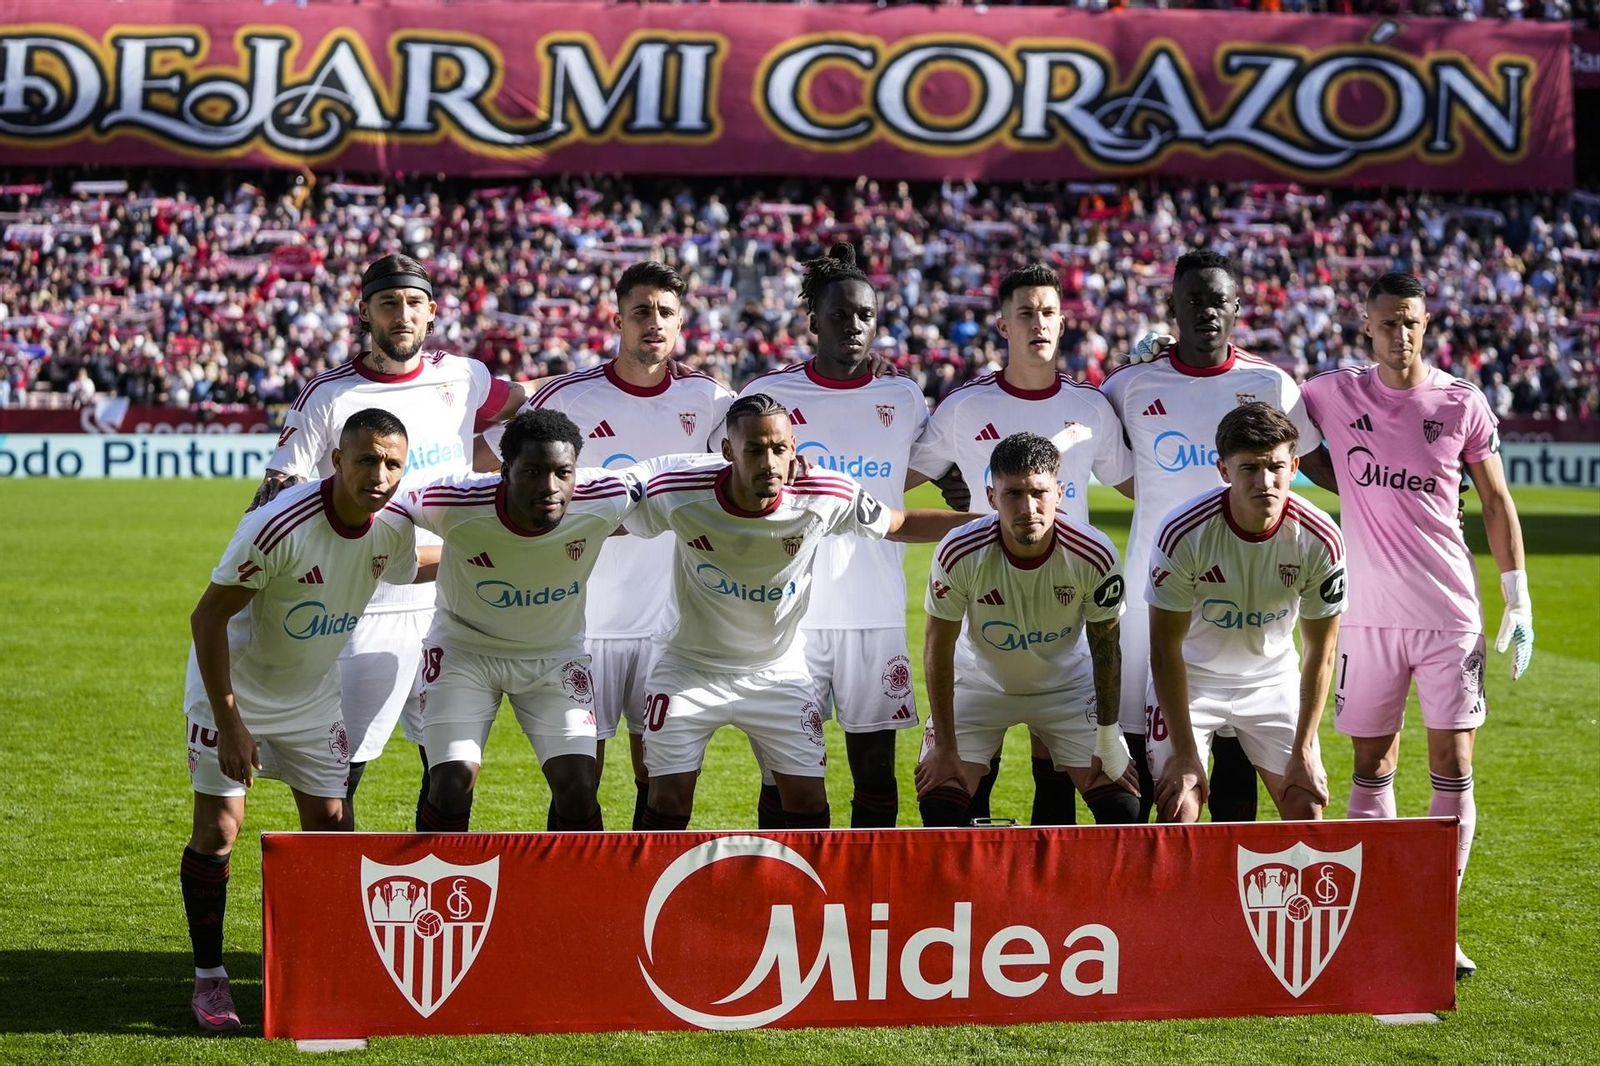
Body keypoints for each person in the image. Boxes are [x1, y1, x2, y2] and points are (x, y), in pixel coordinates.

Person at [1300, 271, 1532, 979]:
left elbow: (1496, 500)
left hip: (1448, 616)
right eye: (1388, 323)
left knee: (1453, 766)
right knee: (1371, 765)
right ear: (1365, 326)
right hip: (1367, 619)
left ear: (1425, 324)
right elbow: (1281, 426)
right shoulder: (1331, 393)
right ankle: (1377, 917)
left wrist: (1517, 597)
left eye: (1411, 322)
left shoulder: (1461, 402)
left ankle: (1435, 921)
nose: (1400, 335)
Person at [254, 254, 524, 824]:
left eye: (413, 303)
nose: (402, 314)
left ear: (432, 311)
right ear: (365, 313)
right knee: (337, 778)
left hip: (452, 606)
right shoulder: (328, 396)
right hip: (361, 610)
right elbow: (277, 495)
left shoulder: (464, 377)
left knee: (452, 774)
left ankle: (440, 878)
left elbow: (533, 401)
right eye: (388, 303)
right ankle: (336, 884)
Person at [627, 394, 976, 830]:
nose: (769, 462)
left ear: (794, 447)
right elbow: (611, 517)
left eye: (779, 448)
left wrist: (989, 522)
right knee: (667, 798)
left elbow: (898, 523)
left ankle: (791, 878)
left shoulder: (824, 493)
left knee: (809, 803)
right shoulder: (679, 494)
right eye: (754, 450)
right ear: (728, 451)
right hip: (688, 667)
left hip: (778, 670)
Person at [181, 408, 426, 1031]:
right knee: (219, 831)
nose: (379, 475)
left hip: (314, 700)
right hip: (233, 696)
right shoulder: (277, 525)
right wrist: (231, 724)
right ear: (336, 460)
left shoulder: (393, 527)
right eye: (365, 459)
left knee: (332, 827)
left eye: (392, 464)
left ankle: (325, 964)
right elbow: (207, 618)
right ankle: (210, 978)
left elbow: (418, 566)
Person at [479, 262, 734, 830]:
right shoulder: (568, 397)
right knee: (577, 783)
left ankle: (646, 886)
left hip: (668, 626)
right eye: (641, 311)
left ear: (681, 322)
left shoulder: (711, 400)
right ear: (617, 320)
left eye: (666, 312)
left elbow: (765, 443)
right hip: (580, 624)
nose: (654, 322)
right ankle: (574, 887)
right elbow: (485, 460)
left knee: (661, 778)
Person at [726, 243, 953, 830]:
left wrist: (956, 487)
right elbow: (728, 471)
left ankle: (863, 883)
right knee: (785, 772)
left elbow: (926, 467)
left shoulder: (901, 396)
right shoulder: (769, 396)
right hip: (789, 617)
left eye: (865, 315)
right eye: (839, 314)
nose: (853, 325)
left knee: (875, 771)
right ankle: (788, 876)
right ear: (812, 321)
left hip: (872, 613)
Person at [1107, 249, 1333, 823]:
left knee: (1236, 774)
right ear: (1173, 307)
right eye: (1194, 300)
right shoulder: (1129, 383)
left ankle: (1230, 878)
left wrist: (1414, 494)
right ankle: (1152, 879)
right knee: (1148, 770)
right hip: (1154, 595)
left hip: (1246, 591)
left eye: (1218, 301)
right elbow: (1078, 436)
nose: (1206, 311)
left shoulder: (1271, 383)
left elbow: (1317, 464)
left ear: (1236, 307)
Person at [909, 262, 1135, 827]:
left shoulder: (1091, 407)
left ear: (1063, 323)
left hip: (1067, 606)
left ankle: (1048, 885)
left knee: (1065, 779)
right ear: (1004, 325)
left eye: (1049, 312)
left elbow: (1141, 484)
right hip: (986, 605)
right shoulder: (964, 406)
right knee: (957, 792)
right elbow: (903, 471)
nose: (1039, 323)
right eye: (1026, 312)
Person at [402, 409, 649, 834]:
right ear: (505, 472)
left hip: (554, 658)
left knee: (578, 789)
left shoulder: (605, 498)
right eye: (533, 471)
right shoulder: (453, 501)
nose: (550, 487)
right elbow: (387, 501)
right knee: (450, 784)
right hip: (464, 655)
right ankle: (437, 875)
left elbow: (669, 476)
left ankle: (571, 880)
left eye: (563, 473)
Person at [915, 432, 1139, 827]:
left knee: (1123, 809)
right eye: (1013, 494)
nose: (1028, 507)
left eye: (1039, 492)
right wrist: (945, 746)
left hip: (1066, 689)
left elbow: (1106, 646)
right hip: (979, 686)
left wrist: (1107, 738)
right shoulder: (959, 550)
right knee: (940, 808)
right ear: (991, 497)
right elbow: (938, 646)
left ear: (1060, 493)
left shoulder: (1094, 552)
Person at [1144, 403, 1346, 826]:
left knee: (1307, 808)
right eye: (1249, 468)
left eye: (1275, 467)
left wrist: (1304, 749)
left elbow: (1321, 652)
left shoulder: (1320, 537)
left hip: (1271, 680)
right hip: (1193, 680)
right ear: (1224, 470)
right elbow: (1164, 650)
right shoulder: (1183, 532)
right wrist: (1185, 754)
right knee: (1180, 808)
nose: (1265, 481)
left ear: (1294, 466)